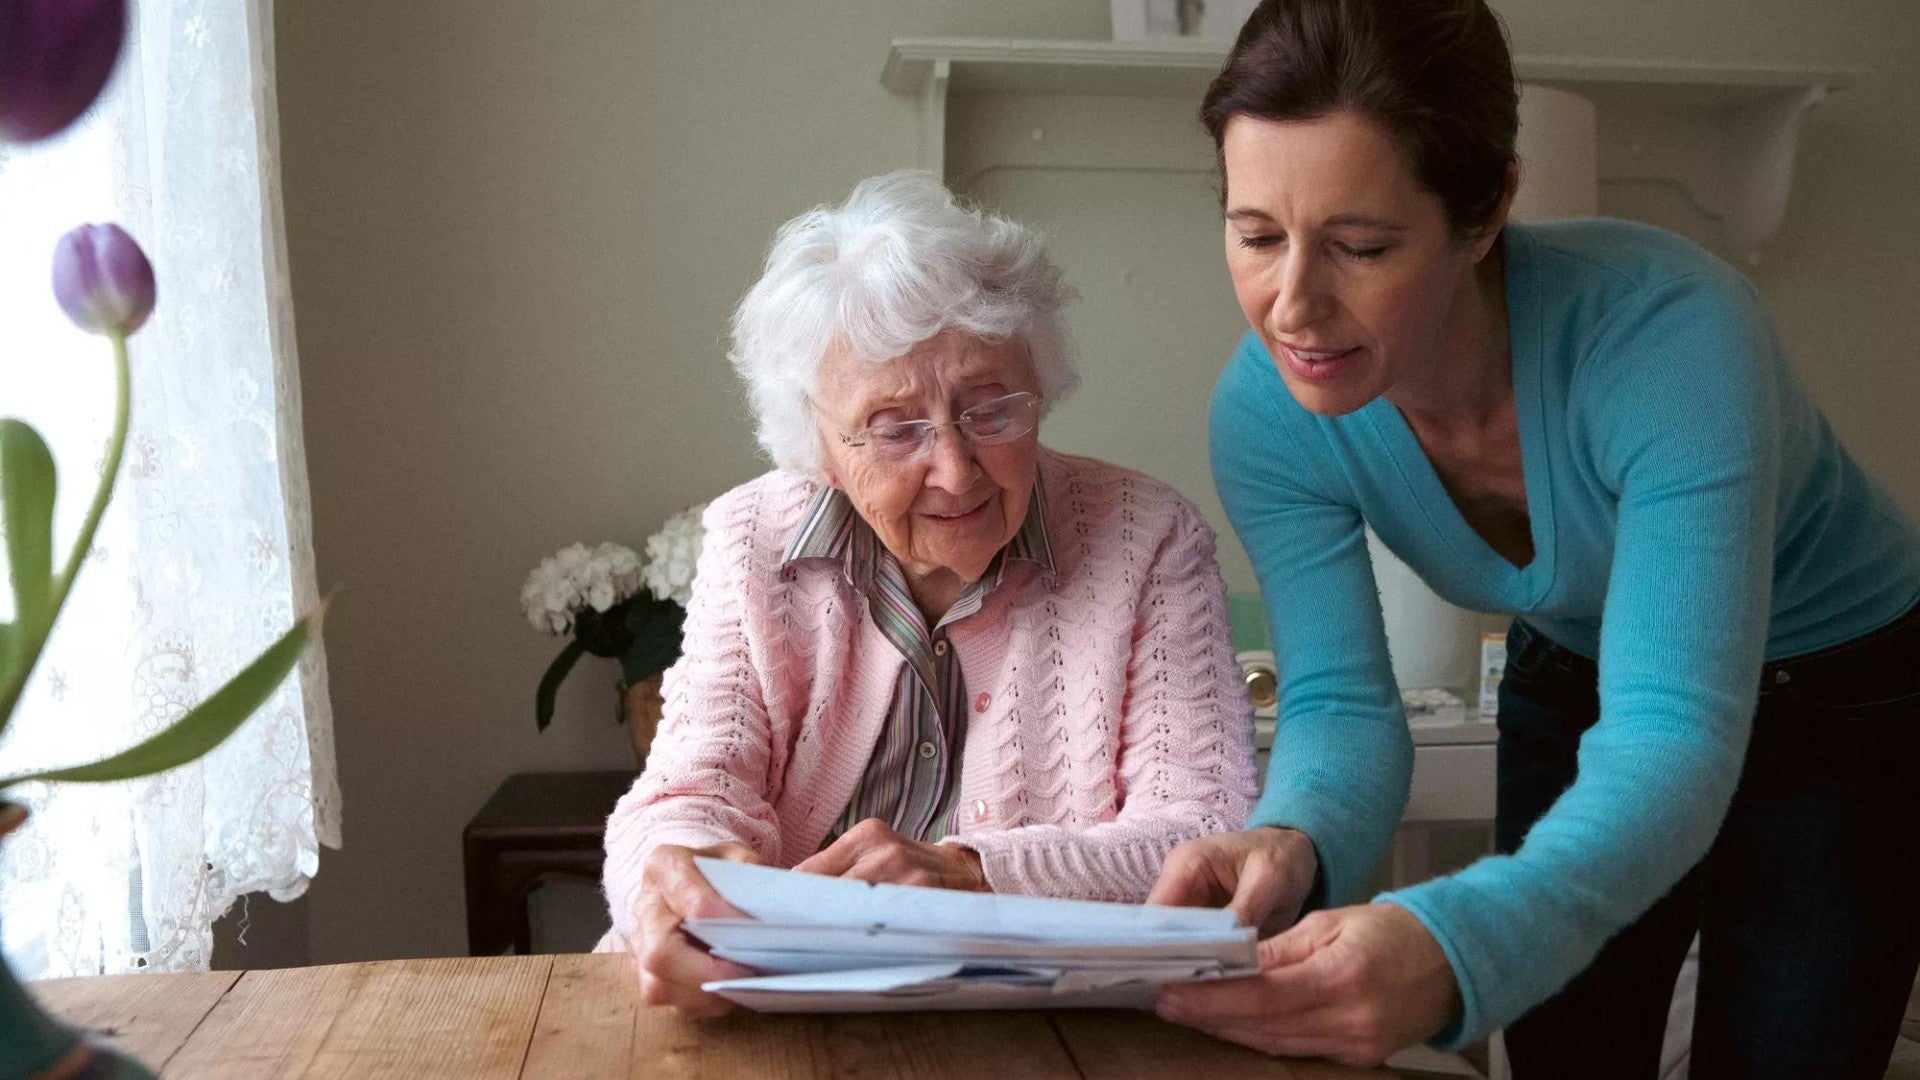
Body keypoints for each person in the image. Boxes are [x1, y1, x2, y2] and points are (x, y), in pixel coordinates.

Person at [1144, 1, 1920, 1076]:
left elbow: (1673, 737)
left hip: (1847, 691)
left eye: (1360, 245)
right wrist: (1298, 837)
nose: (1292, 306)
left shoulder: (1674, 338)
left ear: (1486, 211)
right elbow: (1337, 706)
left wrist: (1454, 942)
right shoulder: (1267, 414)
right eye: (1256, 236)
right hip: (1577, 665)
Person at [597, 170, 1259, 1018]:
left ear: (1040, 390)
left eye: (991, 410)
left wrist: (969, 876)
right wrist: (681, 878)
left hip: (1039, 1032)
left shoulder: (1149, 538)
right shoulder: (752, 540)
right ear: (820, 447)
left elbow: (1202, 837)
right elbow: (685, 790)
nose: (954, 469)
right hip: (765, 1016)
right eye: (894, 428)